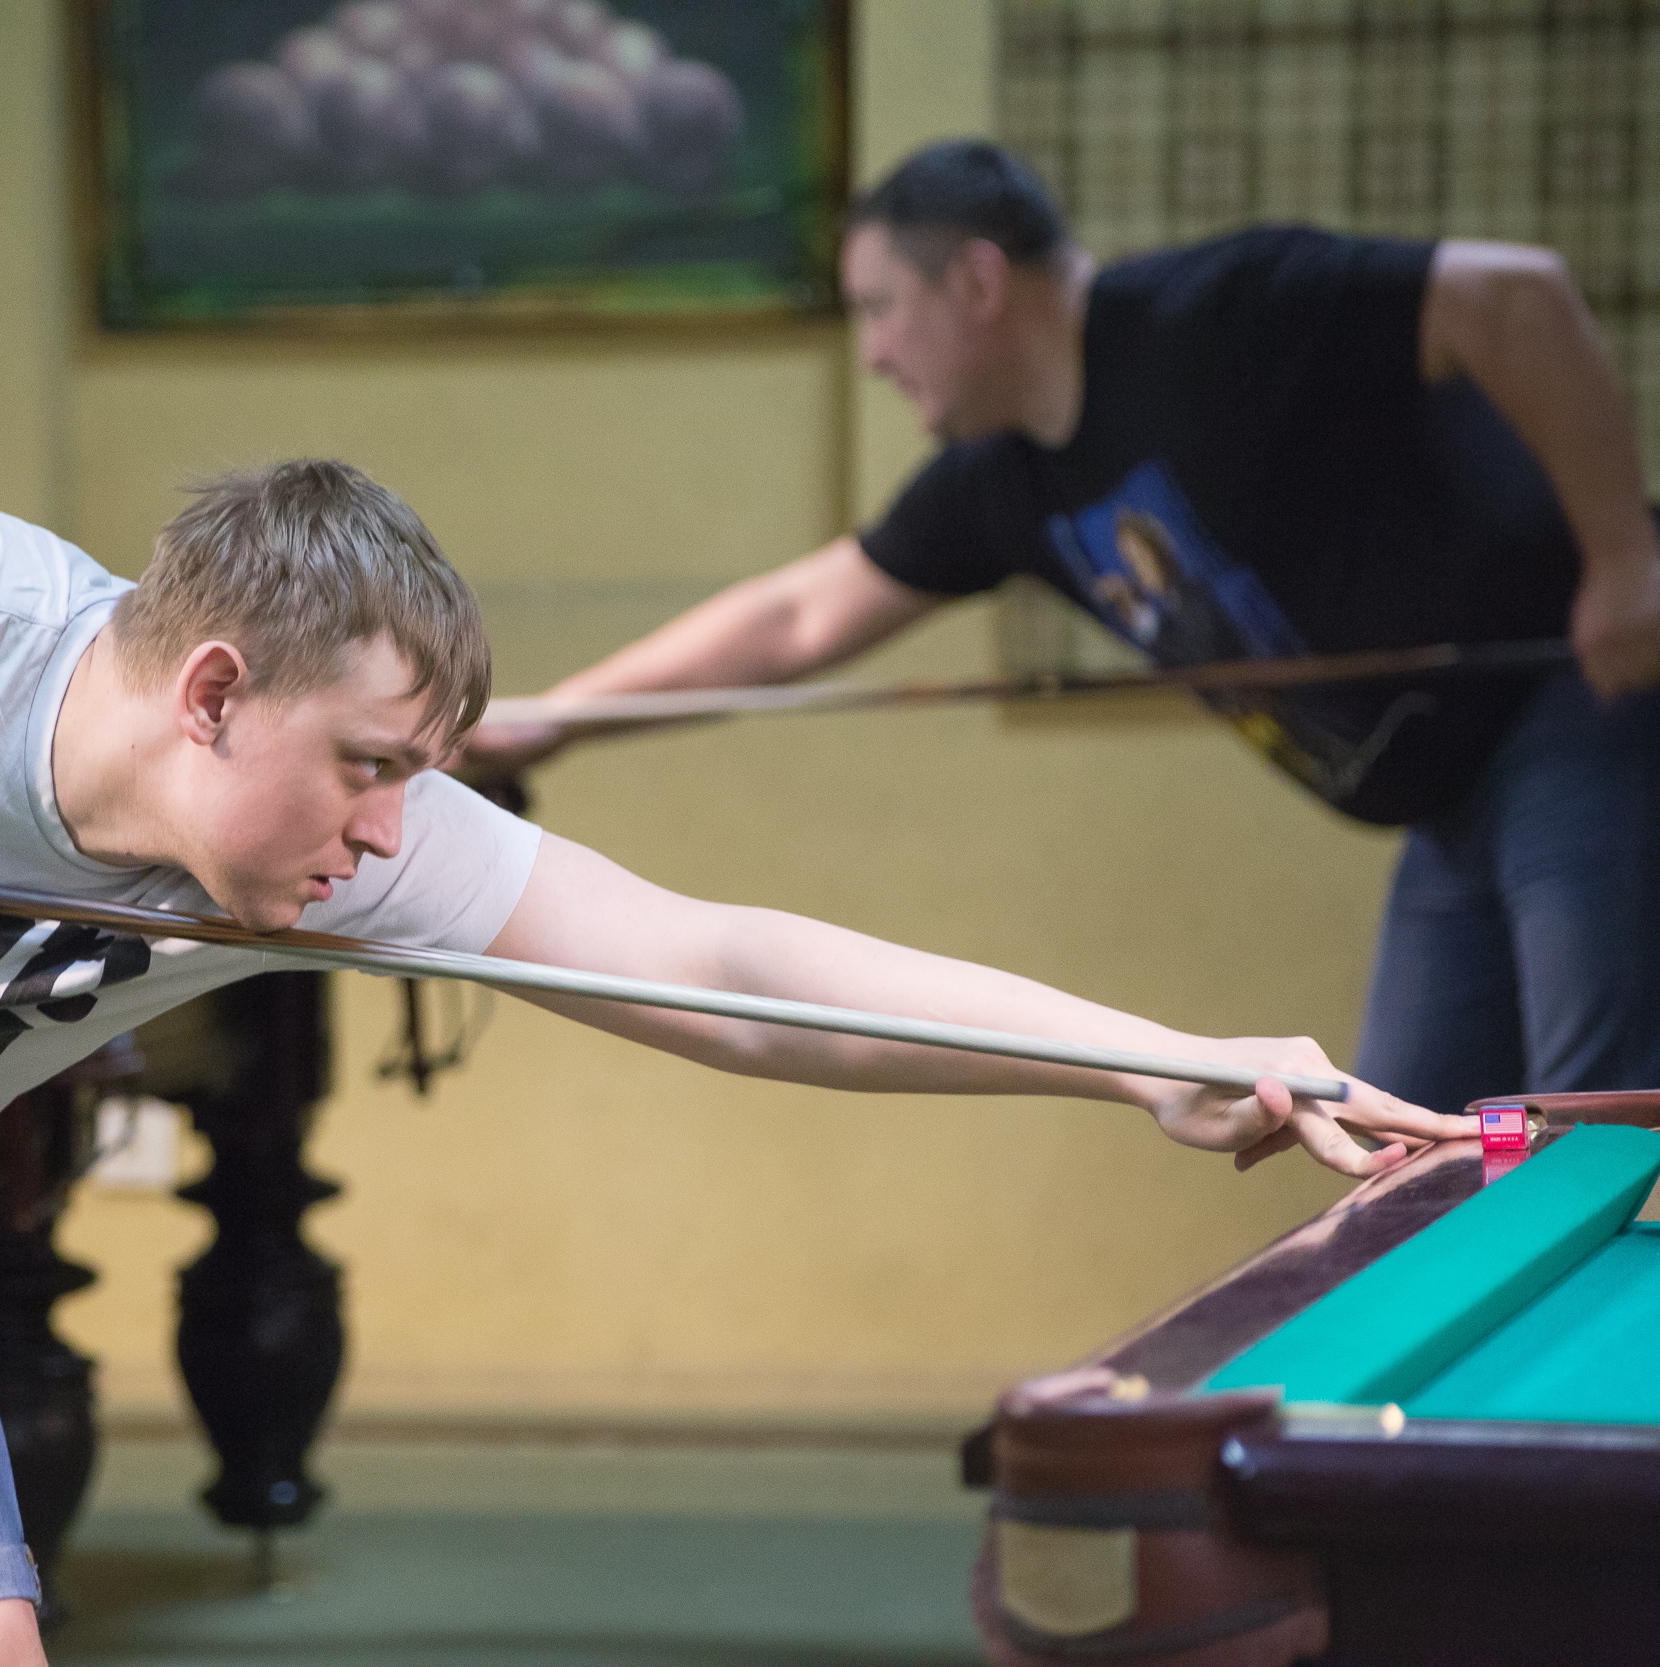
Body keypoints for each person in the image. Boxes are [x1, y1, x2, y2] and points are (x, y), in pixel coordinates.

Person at [0, 253, 1459, 1667]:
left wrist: (1141, 1054)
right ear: (210, 691)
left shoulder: (350, 842)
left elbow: (718, 959)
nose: (384, 837)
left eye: (411, 783)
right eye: (361, 768)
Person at [464, 138, 1660, 1118]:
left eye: (881, 307)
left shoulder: (1215, 315)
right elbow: (798, 616)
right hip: (1445, 802)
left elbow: (1513, 295)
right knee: (1408, 1132)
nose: (872, 352)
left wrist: (1622, 556)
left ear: (977, 282)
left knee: (1594, 1116)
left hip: (1573, 704)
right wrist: (549, 722)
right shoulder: (1004, 481)